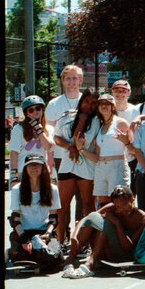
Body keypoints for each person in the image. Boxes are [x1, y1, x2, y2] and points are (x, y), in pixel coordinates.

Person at [62, 185, 145, 279]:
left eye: (124, 205)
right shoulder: (114, 208)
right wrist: (74, 237)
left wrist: (118, 224)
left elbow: (128, 248)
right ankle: (71, 257)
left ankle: (91, 262)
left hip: (124, 256)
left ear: (132, 199)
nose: (120, 209)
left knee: (106, 223)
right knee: (94, 216)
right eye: (117, 206)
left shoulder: (144, 219)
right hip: (107, 252)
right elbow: (89, 218)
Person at [53, 89, 100, 245]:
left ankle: (87, 242)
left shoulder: (97, 121)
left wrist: (82, 120)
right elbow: (56, 137)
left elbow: (79, 139)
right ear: (81, 101)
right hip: (67, 166)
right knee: (61, 207)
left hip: (87, 167)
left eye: (94, 103)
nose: (90, 105)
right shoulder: (67, 115)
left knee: (88, 206)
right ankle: (60, 242)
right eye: (86, 101)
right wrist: (70, 147)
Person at [8, 153, 63, 271]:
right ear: (25, 168)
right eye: (30, 165)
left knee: (55, 258)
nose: (34, 168)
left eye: (37, 165)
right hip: (23, 232)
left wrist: (47, 235)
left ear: (43, 168)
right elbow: (15, 219)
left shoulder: (52, 189)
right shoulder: (17, 189)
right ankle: (16, 253)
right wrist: (24, 239)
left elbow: (54, 218)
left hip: (43, 232)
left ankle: (36, 256)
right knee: (18, 254)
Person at [93, 93, 131, 207]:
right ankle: (107, 225)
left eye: (107, 104)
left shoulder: (121, 123)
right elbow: (96, 154)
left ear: (113, 107)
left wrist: (126, 142)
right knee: (102, 202)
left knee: (118, 202)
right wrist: (80, 149)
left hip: (117, 166)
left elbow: (133, 150)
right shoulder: (100, 125)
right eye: (101, 104)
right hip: (101, 166)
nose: (104, 106)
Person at [45, 65, 84, 175]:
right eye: (68, 78)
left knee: (84, 192)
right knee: (63, 192)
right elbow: (49, 131)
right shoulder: (54, 104)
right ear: (63, 81)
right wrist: (49, 157)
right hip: (60, 155)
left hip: (85, 155)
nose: (71, 81)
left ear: (80, 80)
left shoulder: (87, 102)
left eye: (75, 78)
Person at [8, 95, 55, 187]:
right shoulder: (19, 129)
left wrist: (40, 130)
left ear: (42, 110)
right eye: (31, 110)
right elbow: (14, 154)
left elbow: (48, 147)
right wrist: (14, 176)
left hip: (41, 171)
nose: (35, 112)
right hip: (23, 172)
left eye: (38, 108)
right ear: (26, 113)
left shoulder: (48, 129)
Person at [111, 79, 140, 193]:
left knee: (129, 195)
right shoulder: (107, 109)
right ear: (112, 92)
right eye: (116, 91)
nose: (120, 94)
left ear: (129, 92)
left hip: (131, 158)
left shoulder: (136, 111)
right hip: (111, 158)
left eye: (123, 91)